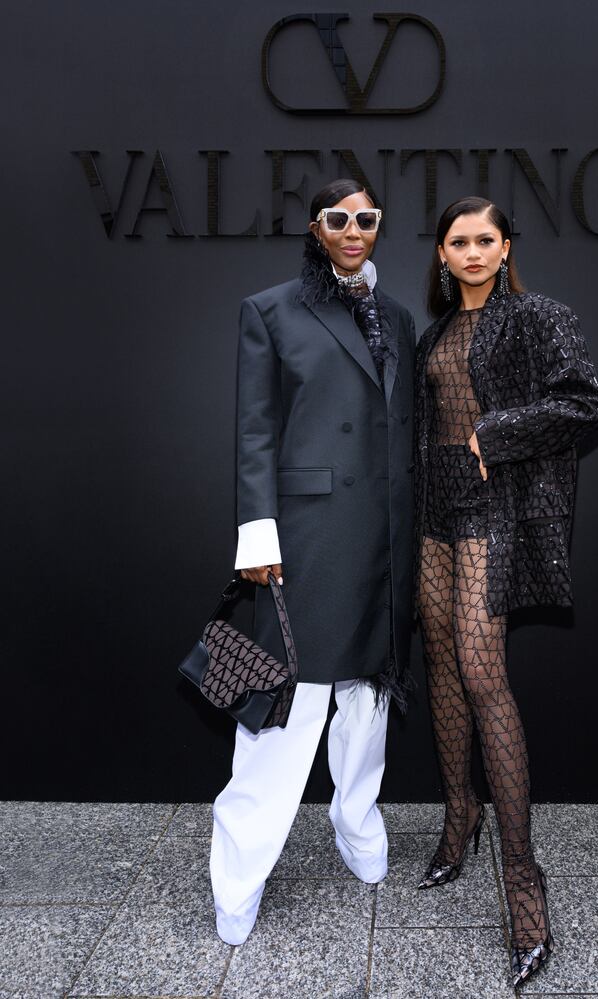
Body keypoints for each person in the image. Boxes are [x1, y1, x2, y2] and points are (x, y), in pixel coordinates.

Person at [209, 179, 416, 946]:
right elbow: (255, 430)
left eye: (367, 218)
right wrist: (256, 534)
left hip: (386, 538)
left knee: (368, 701)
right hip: (306, 539)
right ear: (316, 226)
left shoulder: (396, 314)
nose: (354, 229)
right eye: (340, 218)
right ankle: (238, 874)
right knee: (281, 714)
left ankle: (356, 822)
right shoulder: (270, 310)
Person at [413, 196, 598, 987]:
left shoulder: (538, 317)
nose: (471, 251)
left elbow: (583, 403)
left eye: (484, 239)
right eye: (457, 241)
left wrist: (497, 433)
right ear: (440, 253)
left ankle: (523, 879)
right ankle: (461, 818)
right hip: (433, 510)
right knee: (444, 668)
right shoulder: (433, 333)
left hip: (494, 508)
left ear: (505, 245)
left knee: (486, 673)